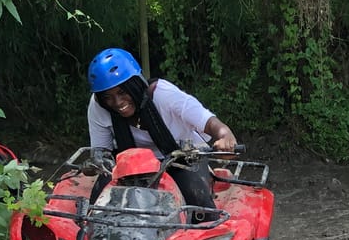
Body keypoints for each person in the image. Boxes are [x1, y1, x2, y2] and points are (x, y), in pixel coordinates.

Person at [85, 48, 237, 214]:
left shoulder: (163, 95)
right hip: (132, 165)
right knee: (96, 204)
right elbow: (102, 151)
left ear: (135, 84)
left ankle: (209, 232)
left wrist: (225, 137)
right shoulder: (99, 107)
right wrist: (97, 162)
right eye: (108, 97)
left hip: (182, 159)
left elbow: (209, 122)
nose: (117, 102)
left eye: (122, 92)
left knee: (199, 204)